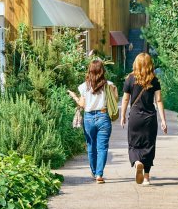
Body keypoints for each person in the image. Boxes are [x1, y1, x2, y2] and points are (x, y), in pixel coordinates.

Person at [120, 52, 167, 186]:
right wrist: (163, 120)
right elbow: (158, 100)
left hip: (135, 117)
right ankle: (146, 177)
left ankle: (137, 162)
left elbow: (125, 99)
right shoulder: (154, 80)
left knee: (133, 144)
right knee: (149, 146)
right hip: (150, 118)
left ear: (136, 63)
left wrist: (123, 115)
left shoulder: (130, 79)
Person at [68, 59, 117, 184]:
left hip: (89, 118)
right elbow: (115, 100)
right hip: (103, 116)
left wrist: (74, 96)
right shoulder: (109, 85)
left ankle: (95, 172)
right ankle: (99, 174)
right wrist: (115, 89)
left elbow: (82, 104)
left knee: (91, 146)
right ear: (102, 71)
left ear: (89, 70)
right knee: (102, 147)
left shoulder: (84, 86)